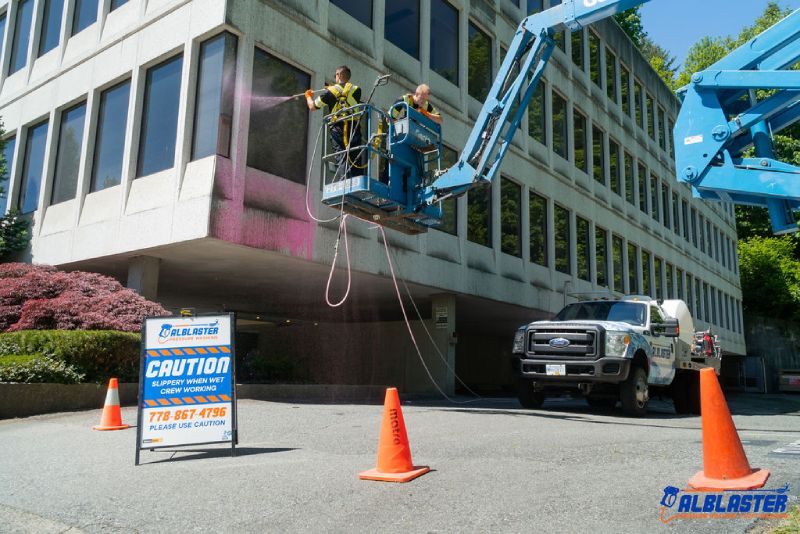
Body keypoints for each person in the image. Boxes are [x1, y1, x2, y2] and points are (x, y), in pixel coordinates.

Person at [305, 65, 364, 179]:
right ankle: (357, 181)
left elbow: (312, 106)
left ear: (339, 75)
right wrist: (332, 88)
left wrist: (308, 96)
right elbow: (343, 93)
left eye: (335, 75)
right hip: (353, 127)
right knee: (355, 154)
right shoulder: (357, 90)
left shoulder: (329, 92)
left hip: (338, 128)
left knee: (341, 155)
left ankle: (344, 182)